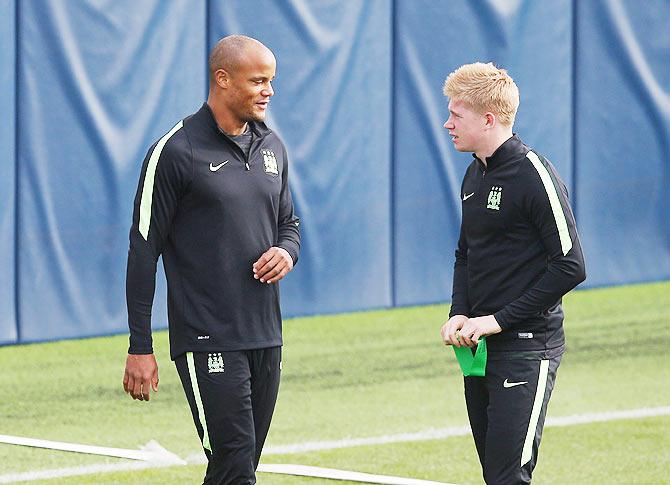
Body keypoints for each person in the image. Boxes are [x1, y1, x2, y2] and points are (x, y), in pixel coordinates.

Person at [122, 35, 300, 485]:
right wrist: (140, 346)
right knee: (236, 462)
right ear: (223, 79)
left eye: (271, 81)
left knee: (234, 468)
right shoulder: (176, 151)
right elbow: (143, 250)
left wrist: (286, 252)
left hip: (266, 335)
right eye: (258, 80)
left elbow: (290, 224)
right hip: (206, 338)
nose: (268, 91)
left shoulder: (273, 147)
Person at [439, 62, 586, 484]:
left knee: (508, 476)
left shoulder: (533, 173)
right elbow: (466, 255)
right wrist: (460, 313)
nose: (447, 123)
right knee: (495, 475)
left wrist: (498, 320)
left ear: (488, 119)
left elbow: (571, 266)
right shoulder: (473, 174)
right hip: (479, 349)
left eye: (456, 114)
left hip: (527, 348)